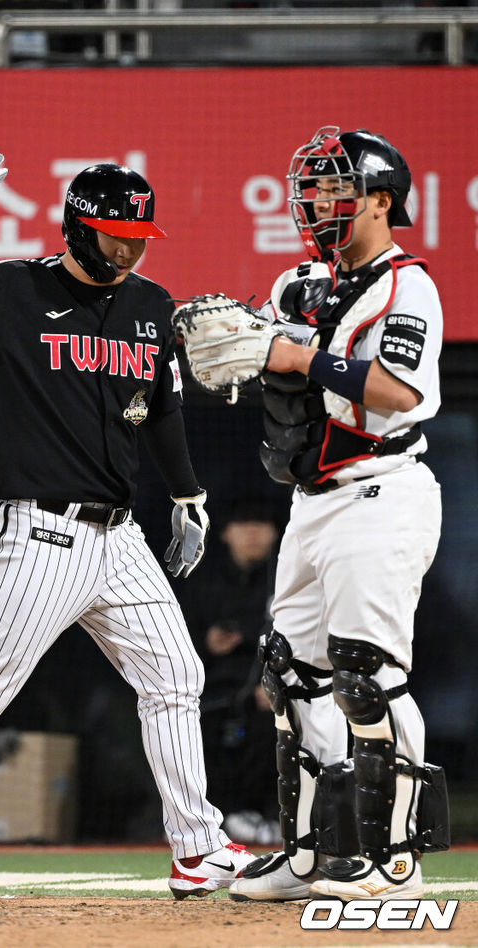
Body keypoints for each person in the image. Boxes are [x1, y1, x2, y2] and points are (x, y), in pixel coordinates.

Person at [0, 145, 256, 903]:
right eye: (116, 234)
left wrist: (187, 497)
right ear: (78, 229)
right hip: (33, 532)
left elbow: (166, 410)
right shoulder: (11, 291)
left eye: (139, 236)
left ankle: (196, 848)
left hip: (120, 539)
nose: (129, 247)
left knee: (176, 676)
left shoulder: (151, 304)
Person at [228, 127, 449, 903]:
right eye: (312, 187)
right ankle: (309, 853)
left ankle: (395, 862)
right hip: (312, 501)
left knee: (368, 679)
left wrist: (302, 358)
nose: (316, 202)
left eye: (334, 188)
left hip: (383, 490)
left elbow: (398, 391)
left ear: (381, 201)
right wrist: (243, 352)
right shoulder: (298, 283)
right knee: (291, 675)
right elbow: (264, 358)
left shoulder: (407, 286)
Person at [179, 497, 281, 845]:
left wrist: (276, 682)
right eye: (242, 525)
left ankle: (263, 814)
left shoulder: (285, 581)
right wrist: (206, 640)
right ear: (224, 533)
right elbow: (175, 636)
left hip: (266, 690)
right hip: (210, 688)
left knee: (276, 721)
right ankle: (205, 818)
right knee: (184, 725)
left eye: (261, 525)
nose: (252, 533)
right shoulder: (200, 579)